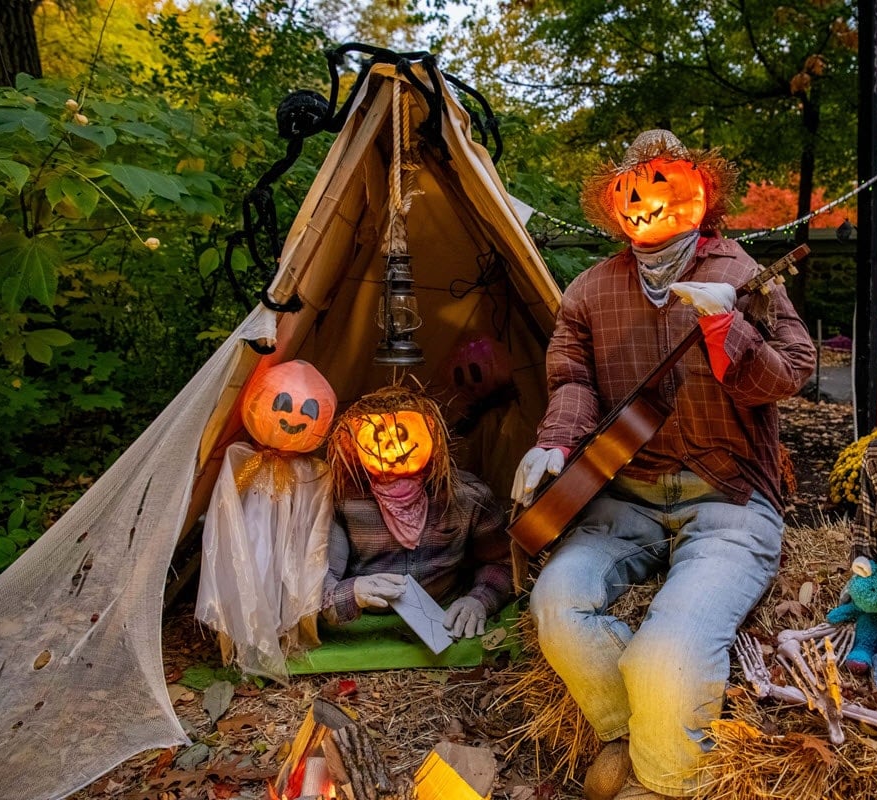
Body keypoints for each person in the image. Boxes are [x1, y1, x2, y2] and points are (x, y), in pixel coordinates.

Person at [511, 130, 816, 800]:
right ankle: (626, 731)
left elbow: (793, 373)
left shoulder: (740, 275)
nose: (645, 203)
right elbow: (573, 381)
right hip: (626, 497)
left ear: (701, 191)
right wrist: (555, 443)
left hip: (729, 499)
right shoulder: (588, 291)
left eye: (663, 185)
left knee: (668, 656)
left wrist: (725, 329)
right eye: (630, 190)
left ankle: (663, 782)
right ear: (613, 204)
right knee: (556, 604)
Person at [321, 385, 512, 640]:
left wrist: (479, 600)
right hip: (366, 625)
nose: (392, 448)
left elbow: (503, 561)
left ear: (431, 434)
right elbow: (320, 584)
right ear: (354, 444)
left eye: (403, 434)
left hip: (445, 615)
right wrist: (353, 592)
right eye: (377, 437)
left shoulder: (469, 495)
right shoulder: (345, 503)